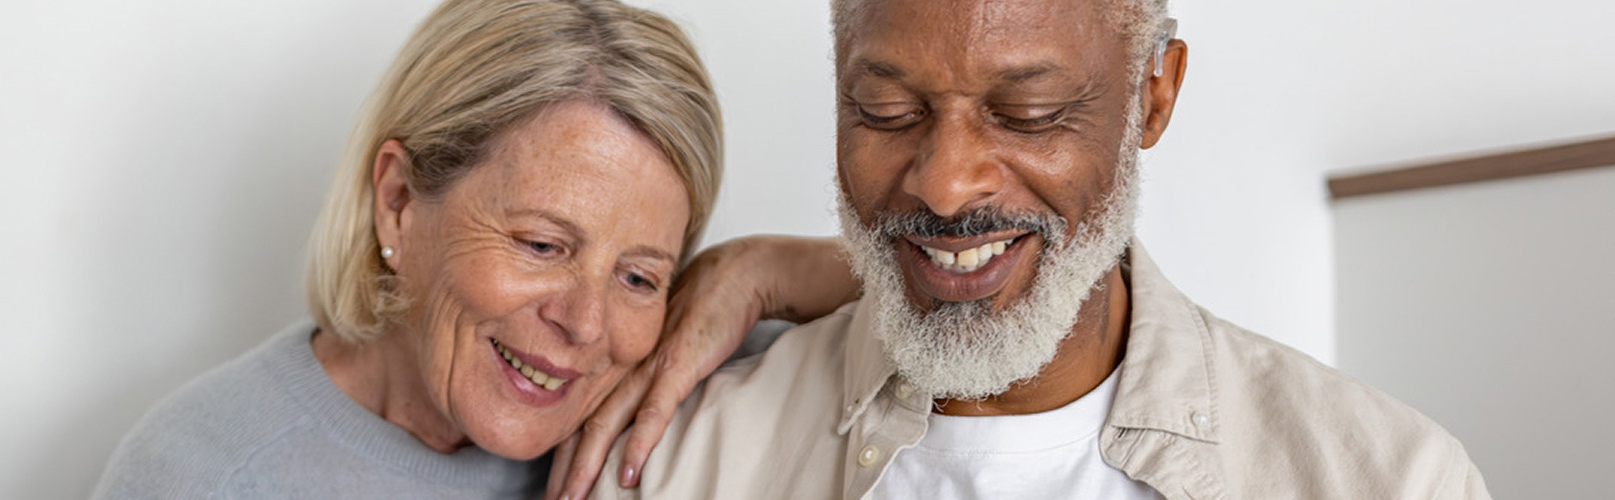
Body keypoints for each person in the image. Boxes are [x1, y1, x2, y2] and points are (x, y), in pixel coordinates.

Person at [564, 0, 1493, 498]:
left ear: (1152, 97)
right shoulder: (682, 462)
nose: (945, 182)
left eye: (1029, 114)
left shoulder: (1390, 480)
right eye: (886, 112)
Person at [89, 0, 859, 498]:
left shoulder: (679, 381)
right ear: (397, 202)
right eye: (542, 244)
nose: (586, 324)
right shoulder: (205, 472)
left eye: (636, 275)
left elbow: (965, 308)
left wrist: (767, 270)